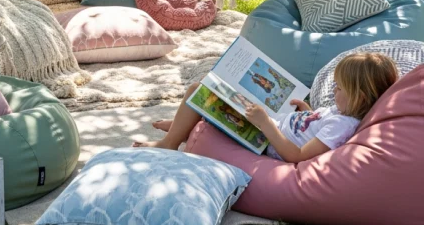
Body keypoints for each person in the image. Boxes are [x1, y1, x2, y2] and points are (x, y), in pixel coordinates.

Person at [133, 52, 397, 155]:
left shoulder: (343, 126)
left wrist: (266, 123)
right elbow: (316, 126)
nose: (334, 90)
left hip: (263, 137)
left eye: (339, 88)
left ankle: (171, 142)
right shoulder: (341, 110)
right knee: (207, 89)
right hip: (271, 124)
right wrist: (307, 112)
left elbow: (298, 156)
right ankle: (187, 122)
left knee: (199, 90)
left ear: (360, 97)